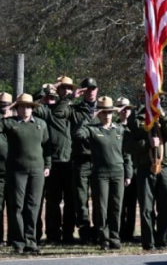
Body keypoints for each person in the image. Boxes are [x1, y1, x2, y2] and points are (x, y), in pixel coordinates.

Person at [75, 96, 132, 250]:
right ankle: (103, 238)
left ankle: (115, 237)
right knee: (101, 208)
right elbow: (79, 134)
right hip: (100, 174)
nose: (107, 115)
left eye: (109, 112)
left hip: (118, 173)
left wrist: (128, 174)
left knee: (116, 207)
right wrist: (89, 118)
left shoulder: (120, 129)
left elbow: (126, 154)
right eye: (103, 112)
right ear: (99, 114)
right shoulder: (93, 130)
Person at [125, 91, 167, 251]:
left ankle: (163, 241)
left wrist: (162, 115)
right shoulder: (135, 117)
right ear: (141, 97)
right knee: (146, 208)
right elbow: (128, 145)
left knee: (166, 207)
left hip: (166, 166)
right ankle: (148, 243)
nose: (151, 98)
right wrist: (146, 143)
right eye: (146, 95)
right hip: (145, 167)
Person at [1, 94, 50, 254]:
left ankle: (31, 241)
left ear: (32, 108)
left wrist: (47, 165)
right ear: (17, 108)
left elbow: (47, 146)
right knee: (17, 206)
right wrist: (5, 112)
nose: (25, 109)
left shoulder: (41, 124)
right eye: (22, 106)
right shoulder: (10, 123)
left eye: (28, 106)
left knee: (33, 206)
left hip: (37, 170)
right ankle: (18, 242)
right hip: (16, 170)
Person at [55, 77, 99, 244]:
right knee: (81, 199)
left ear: (97, 89)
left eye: (93, 88)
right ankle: (85, 230)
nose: (91, 92)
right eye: (87, 89)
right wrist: (69, 97)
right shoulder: (74, 109)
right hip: (81, 158)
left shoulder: (103, 107)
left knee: (99, 198)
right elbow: (58, 113)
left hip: (99, 159)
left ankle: (99, 230)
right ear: (82, 91)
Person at [34, 79, 76, 244]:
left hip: (70, 161)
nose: (66, 91)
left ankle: (68, 234)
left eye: (68, 89)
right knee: (53, 201)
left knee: (71, 201)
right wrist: (45, 90)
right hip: (53, 161)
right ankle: (52, 234)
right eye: (62, 89)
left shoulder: (69, 108)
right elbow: (33, 104)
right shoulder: (47, 111)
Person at [114, 97, 138, 243]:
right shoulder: (115, 127)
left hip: (135, 169)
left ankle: (130, 233)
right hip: (119, 169)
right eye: (122, 108)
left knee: (131, 203)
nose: (125, 111)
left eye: (128, 108)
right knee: (119, 204)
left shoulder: (134, 127)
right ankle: (120, 232)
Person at [0, 92, 13, 246]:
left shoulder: (17, 123)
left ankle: (13, 237)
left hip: (16, 172)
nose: (5, 109)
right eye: (2, 106)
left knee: (15, 207)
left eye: (7, 105)